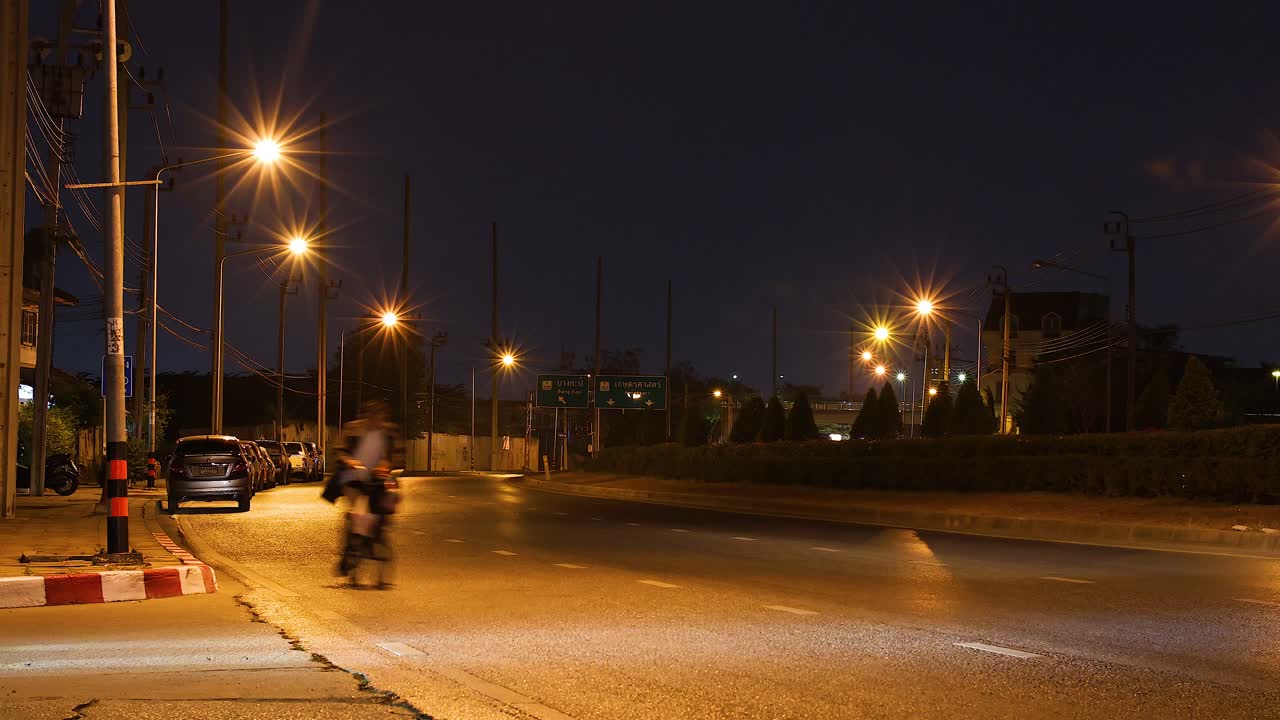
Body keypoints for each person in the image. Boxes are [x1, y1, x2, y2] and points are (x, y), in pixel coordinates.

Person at [330, 399, 404, 586]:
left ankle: (379, 538)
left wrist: (387, 465)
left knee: (384, 508)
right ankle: (350, 552)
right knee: (356, 515)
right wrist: (350, 461)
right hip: (354, 478)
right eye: (373, 418)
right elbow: (339, 450)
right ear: (366, 417)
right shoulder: (353, 429)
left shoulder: (390, 431)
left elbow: (399, 455)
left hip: (379, 478)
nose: (376, 422)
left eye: (380, 418)